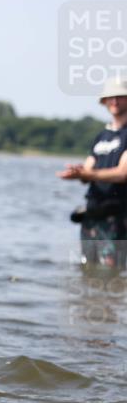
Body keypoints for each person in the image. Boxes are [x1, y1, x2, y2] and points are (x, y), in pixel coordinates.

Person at [59, 76, 127, 268]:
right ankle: (93, 299)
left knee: (110, 270)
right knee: (87, 269)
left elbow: (123, 173)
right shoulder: (101, 136)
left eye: (120, 96)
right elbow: (88, 168)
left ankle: (111, 299)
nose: (114, 100)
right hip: (92, 211)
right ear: (104, 101)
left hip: (117, 214)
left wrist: (87, 174)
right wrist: (77, 173)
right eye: (110, 96)